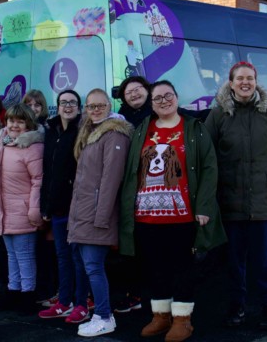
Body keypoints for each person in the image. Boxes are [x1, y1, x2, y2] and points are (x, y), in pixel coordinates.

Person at [120, 80, 226, 342]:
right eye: (157, 98)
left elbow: (210, 168)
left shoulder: (194, 128)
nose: (163, 101)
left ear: (177, 98)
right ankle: (161, 316)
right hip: (146, 216)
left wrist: (204, 207)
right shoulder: (143, 129)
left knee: (183, 268)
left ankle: (182, 319)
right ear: (151, 103)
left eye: (168, 95)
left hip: (183, 215)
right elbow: (132, 169)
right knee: (155, 267)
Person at [204, 61, 267, 330]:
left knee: (265, 262)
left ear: (256, 82)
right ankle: (237, 306)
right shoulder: (218, 114)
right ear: (231, 83)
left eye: (250, 78)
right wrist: (210, 192)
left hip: (265, 201)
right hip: (230, 201)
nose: (245, 83)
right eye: (240, 78)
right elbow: (206, 155)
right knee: (234, 262)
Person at [68, 89, 132, 337]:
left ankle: (104, 317)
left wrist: (102, 217)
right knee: (89, 266)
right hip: (83, 212)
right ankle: (101, 315)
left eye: (100, 105)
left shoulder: (114, 134)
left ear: (109, 106)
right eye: (90, 106)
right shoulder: (91, 133)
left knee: (94, 267)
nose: (95, 110)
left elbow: (111, 180)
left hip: (96, 214)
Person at [37, 90, 91, 324]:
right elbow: (48, 172)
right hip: (57, 206)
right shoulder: (51, 131)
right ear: (57, 106)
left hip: (77, 206)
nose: (68, 106)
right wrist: (45, 205)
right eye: (63, 102)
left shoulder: (84, 130)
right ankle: (65, 301)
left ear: (79, 107)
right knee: (62, 256)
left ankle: (81, 303)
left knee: (78, 257)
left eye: (72, 102)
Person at [0, 103, 44, 312]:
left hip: (23, 210)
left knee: (25, 255)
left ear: (29, 125)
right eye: (11, 121)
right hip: (4, 209)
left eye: (20, 122)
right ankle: (14, 291)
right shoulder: (2, 144)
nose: (14, 125)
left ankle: (28, 295)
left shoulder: (32, 147)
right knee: (12, 255)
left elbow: (38, 181)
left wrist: (34, 209)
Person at [112, 75, 152, 314]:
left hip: (154, 186)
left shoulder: (158, 114)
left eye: (138, 89)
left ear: (147, 90)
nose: (134, 94)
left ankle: (152, 294)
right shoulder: (118, 120)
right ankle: (135, 293)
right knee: (131, 244)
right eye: (129, 92)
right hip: (128, 188)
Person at [22, 89, 56, 305]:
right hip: (21, 196)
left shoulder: (48, 129)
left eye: (37, 105)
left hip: (42, 193)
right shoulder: (16, 130)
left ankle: (47, 290)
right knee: (26, 250)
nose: (33, 109)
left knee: (45, 249)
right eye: (29, 105)